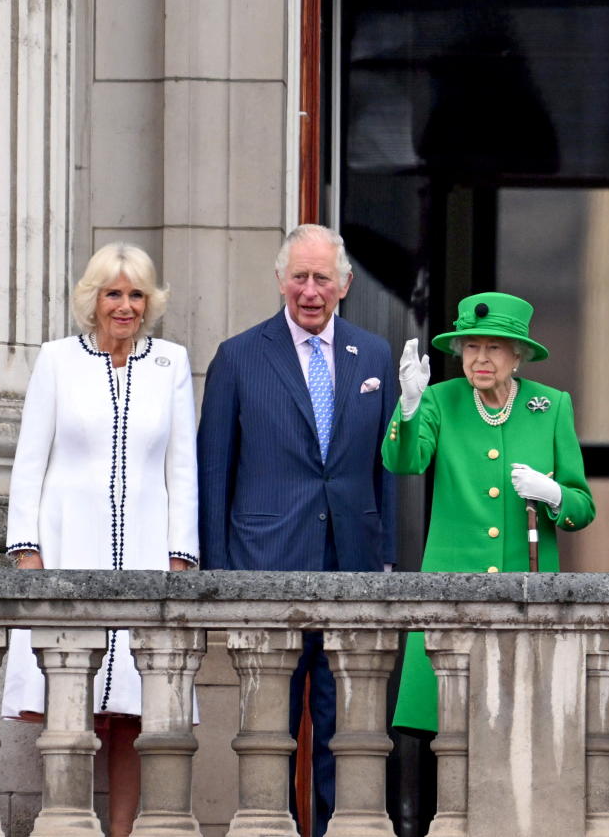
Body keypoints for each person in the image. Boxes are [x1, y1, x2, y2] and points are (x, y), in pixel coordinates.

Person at [197, 224, 397, 837]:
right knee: (268, 732)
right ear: (281, 279)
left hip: (352, 568)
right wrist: (219, 575)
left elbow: (386, 470)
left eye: (322, 279)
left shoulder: (375, 355)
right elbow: (214, 471)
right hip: (265, 565)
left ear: (345, 284)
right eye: (300, 277)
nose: (311, 291)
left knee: (350, 732)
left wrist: (386, 560)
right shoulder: (238, 355)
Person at [4, 242, 198, 837]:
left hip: (144, 554)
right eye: (114, 293)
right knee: (71, 703)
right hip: (68, 551)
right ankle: (68, 825)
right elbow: (29, 461)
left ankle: (121, 832)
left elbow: (181, 467)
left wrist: (179, 557)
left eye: (136, 293)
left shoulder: (171, 361)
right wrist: (26, 548)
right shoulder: (59, 360)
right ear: (94, 299)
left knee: (132, 716)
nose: (125, 305)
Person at [385, 291, 594, 734]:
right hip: (452, 592)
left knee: (522, 732)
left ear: (517, 355)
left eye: (494, 347)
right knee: (451, 731)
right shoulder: (439, 400)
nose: (480, 358)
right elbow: (405, 462)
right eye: (472, 346)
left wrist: (553, 493)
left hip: (526, 597)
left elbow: (583, 506)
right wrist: (408, 407)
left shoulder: (551, 406)